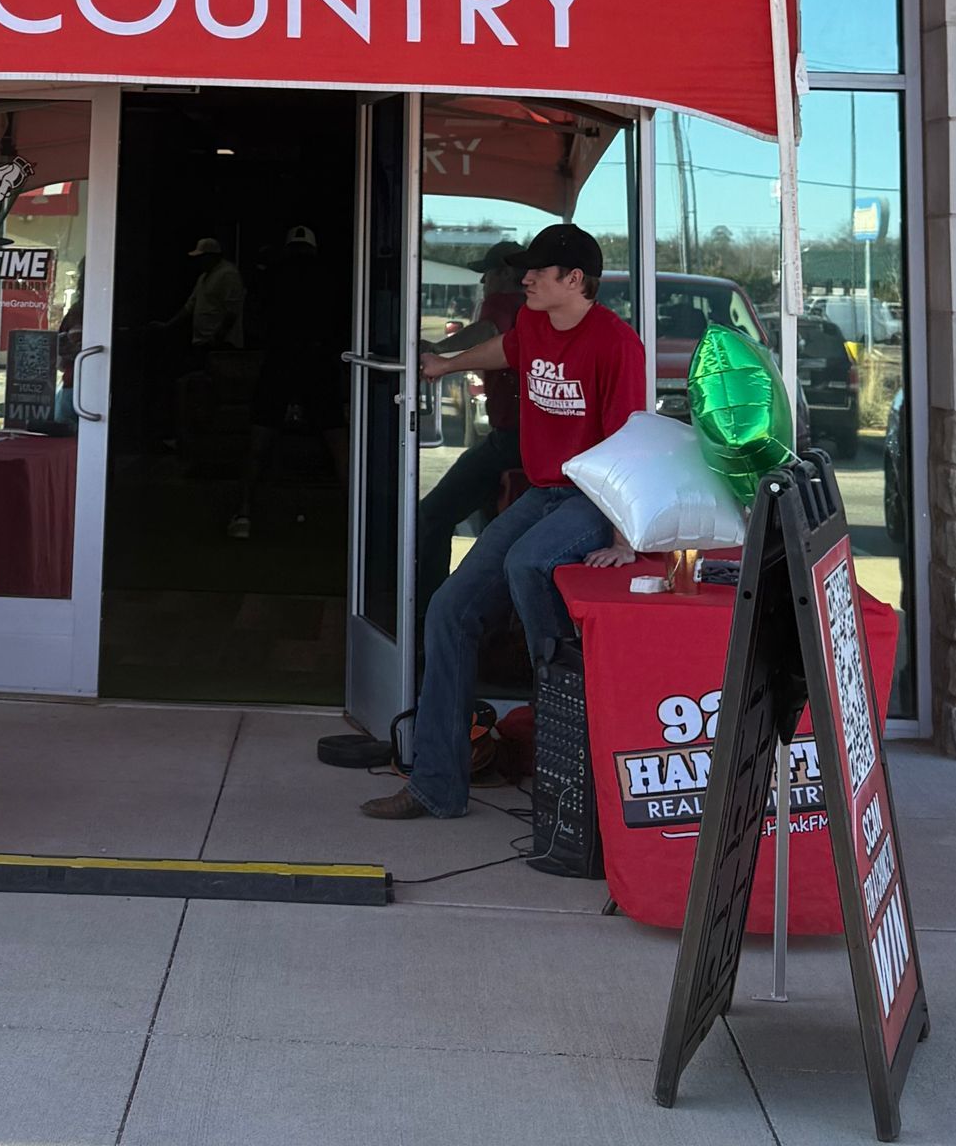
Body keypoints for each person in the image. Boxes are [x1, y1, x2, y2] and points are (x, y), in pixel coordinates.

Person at [363, 221, 644, 824]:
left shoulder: (617, 344)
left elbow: (630, 443)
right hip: (544, 493)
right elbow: (505, 350)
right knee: (449, 610)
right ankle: (436, 786)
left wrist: (624, 536)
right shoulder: (535, 324)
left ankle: (559, 703)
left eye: (539, 271)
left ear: (575, 280)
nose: (527, 279)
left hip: (593, 498)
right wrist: (443, 365)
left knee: (527, 563)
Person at [413, 241, 528, 633]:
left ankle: (427, 615)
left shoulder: (504, 301)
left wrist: (438, 354)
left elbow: (484, 331)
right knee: (490, 526)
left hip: (511, 437)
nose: (483, 279)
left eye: (489, 271)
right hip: (532, 439)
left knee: (432, 515)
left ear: (506, 274)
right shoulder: (537, 310)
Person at [229, 224, 347, 540]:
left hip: (280, 360)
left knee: (258, 439)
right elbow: (343, 321)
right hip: (318, 360)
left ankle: (243, 514)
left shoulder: (270, 275)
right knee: (338, 440)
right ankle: (355, 519)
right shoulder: (329, 276)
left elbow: (252, 320)